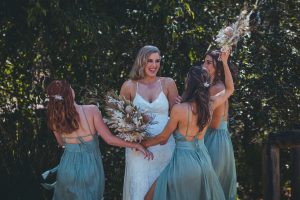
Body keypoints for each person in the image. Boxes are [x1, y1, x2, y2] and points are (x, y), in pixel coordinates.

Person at [142, 51, 233, 200]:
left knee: (149, 198)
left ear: (189, 83)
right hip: (204, 162)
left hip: (183, 164)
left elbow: (163, 138)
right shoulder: (210, 105)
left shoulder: (179, 109)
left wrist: (144, 143)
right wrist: (224, 62)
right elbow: (230, 89)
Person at [41, 80, 153, 200]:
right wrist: (136, 145)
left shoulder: (54, 119)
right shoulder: (91, 110)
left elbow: (61, 143)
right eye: (70, 87)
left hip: (67, 167)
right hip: (90, 168)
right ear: (69, 93)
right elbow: (110, 139)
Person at [120, 45, 179, 200]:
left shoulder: (168, 83)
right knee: (139, 189)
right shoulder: (129, 86)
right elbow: (120, 120)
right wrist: (135, 139)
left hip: (165, 147)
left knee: (165, 190)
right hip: (140, 149)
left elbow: (177, 116)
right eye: (150, 61)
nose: (154, 65)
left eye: (157, 61)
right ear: (141, 61)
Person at [202, 49, 237, 200]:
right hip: (211, 136)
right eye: (204, 61)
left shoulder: (217, 88)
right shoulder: (206, 85)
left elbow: (215, 124)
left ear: (218, 67)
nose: (204, 65)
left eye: (209, 63)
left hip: (215, 140)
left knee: (212, 185)